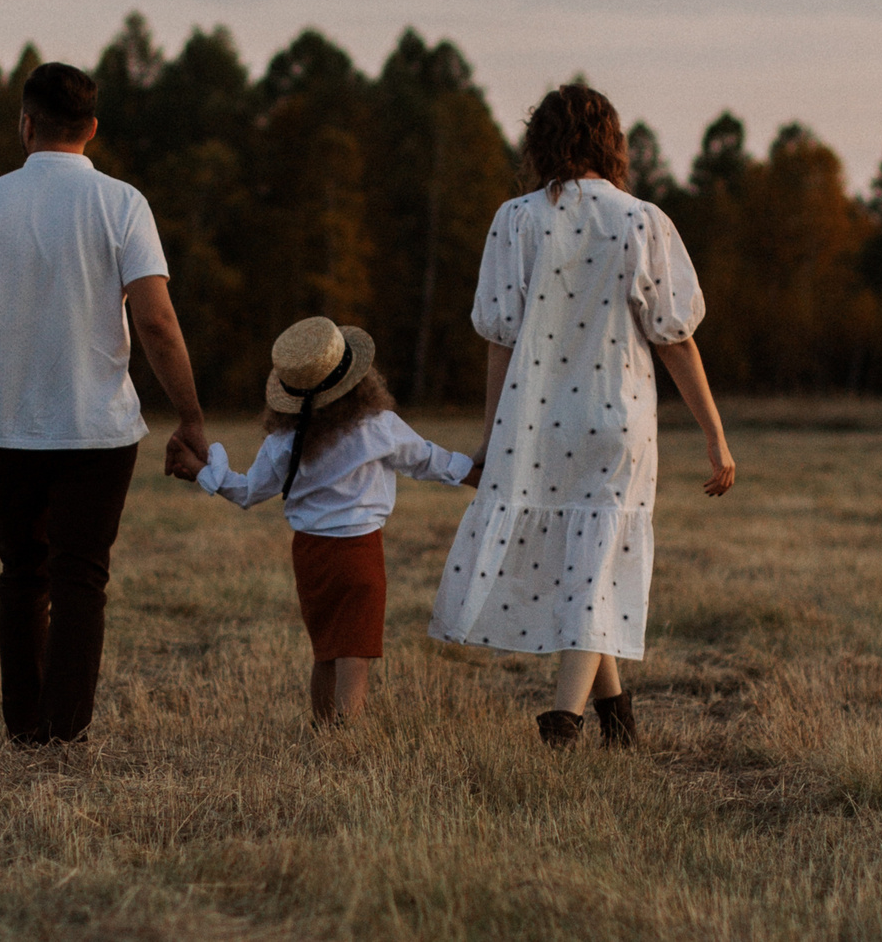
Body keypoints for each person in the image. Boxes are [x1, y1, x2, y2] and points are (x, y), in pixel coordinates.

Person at [428, 82, 736, 749]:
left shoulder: (514, 220)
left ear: (540, 142)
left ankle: (610, 719)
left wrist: (489, 439)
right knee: (595, 562)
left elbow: (499, 343)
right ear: (611, 142)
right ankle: (568, 721)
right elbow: (675, 337)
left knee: (585, 563)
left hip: (536, 422)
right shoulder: (640, 220)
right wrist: (714, 434)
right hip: (617, 419)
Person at [0, 60, 209, 746]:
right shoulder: (122, 204)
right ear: (93, 128)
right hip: (99, 433)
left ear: (25, 124)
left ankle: (25, 726)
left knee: (22, 573)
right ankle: (64, 730)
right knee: (81, 579)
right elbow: (158, 323)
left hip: (5, 430)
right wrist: (191, 416)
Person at [170, 317, 475, 725]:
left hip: (310, 554)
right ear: (357, 380)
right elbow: (430, 461)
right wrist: (479, 472)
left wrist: (203, 470)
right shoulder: (377, 427)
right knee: (356, 649)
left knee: (326, 648)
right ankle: (347, 732)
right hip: (360, 551)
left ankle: (323, 727)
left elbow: (247, 492)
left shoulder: (284, 442)